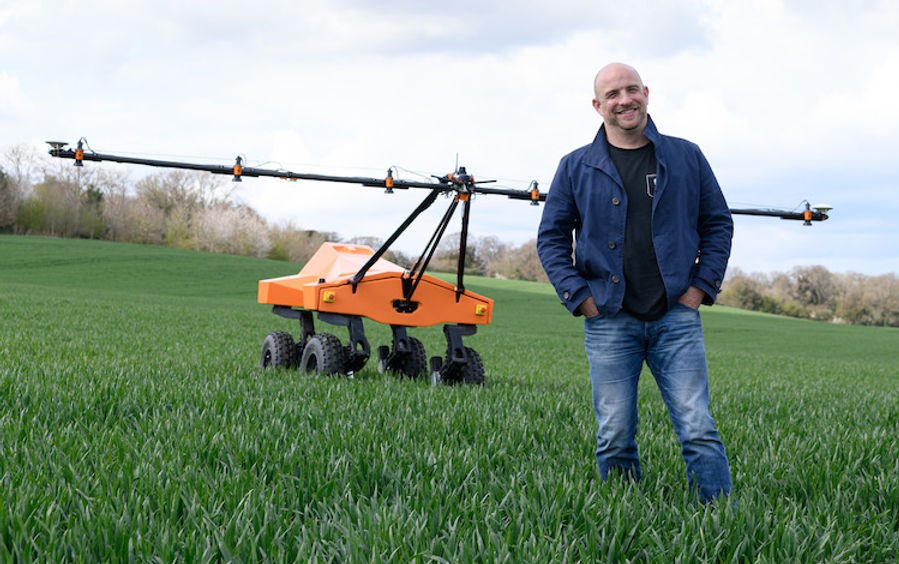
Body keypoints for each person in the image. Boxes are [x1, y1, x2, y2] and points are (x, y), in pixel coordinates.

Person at [536, 63, 734, 502]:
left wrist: (699, 288)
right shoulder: (574, 166)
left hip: (676, 317)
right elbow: (551, 239)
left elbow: (718, 224)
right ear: (597, 105)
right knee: (615, 433)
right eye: (612, 94)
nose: (624, 100)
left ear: (646, 92)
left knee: (697, 426)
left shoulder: (687, 156)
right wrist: (580, 297)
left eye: (631, 90)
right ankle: (624, 518)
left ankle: (722, 516)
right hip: (608, 318)